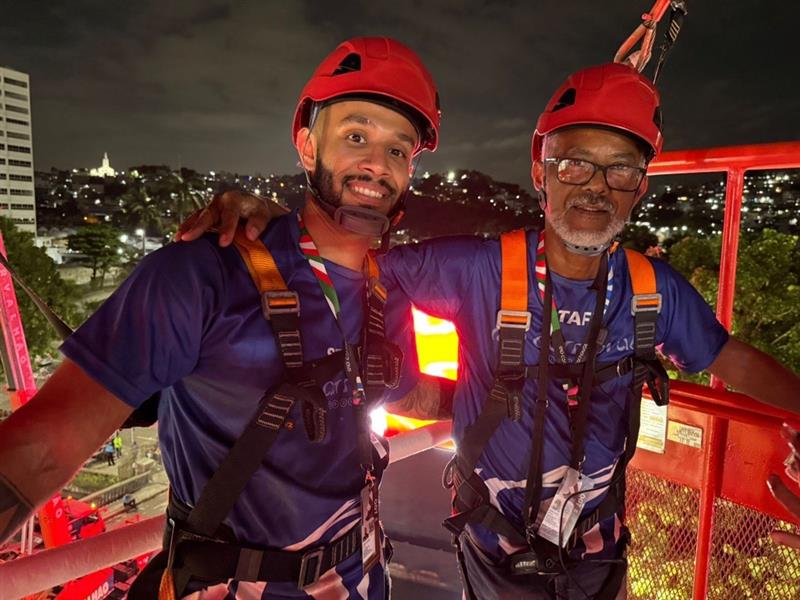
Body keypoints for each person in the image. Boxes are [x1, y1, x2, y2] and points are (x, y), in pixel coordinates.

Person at [183, 62, 800, 599]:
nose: (595, 187)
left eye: (620, 171)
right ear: (542, 170)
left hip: (600, 545)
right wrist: (279, 228)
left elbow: (730, 359)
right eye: (576, 164)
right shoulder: (478, 269)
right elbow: (356, 266)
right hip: (496, 545)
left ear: (641, 184)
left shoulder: (651, 291)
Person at [0, 36, 449, 599]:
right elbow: (43, 448)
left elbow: (408, 394)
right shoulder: (200, 276)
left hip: (360, 577)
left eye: (398, 151)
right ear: (308, 147)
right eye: (356, 135)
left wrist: (502, 398)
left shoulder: (389, 294)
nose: (376, 165)